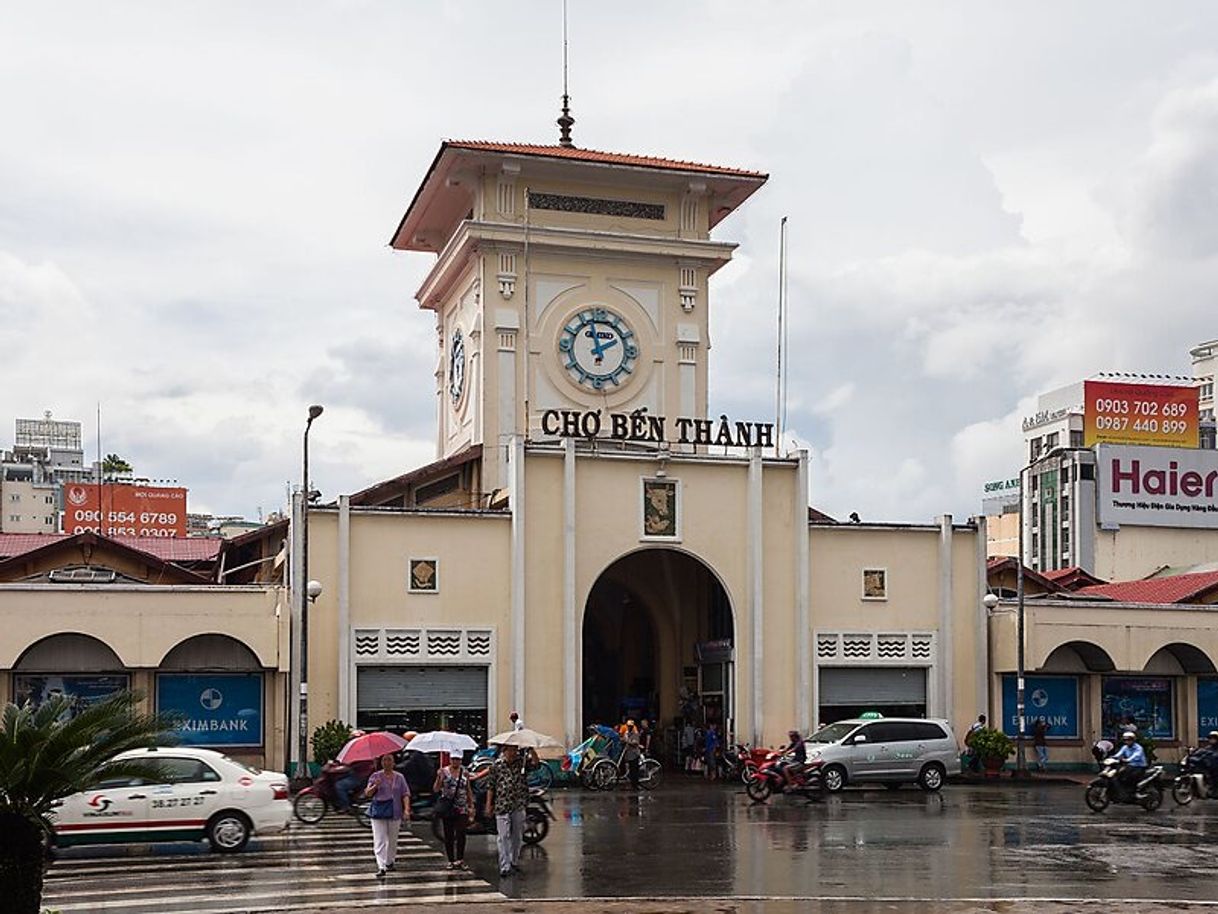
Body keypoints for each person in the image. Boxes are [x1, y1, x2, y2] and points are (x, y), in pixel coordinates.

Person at [484, 743, 529, 878]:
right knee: (503, 836)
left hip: (518, 804)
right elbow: (491, 786)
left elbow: (536, 765)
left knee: (517, 836)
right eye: (511, 750)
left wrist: (531, 750)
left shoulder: (522, 764)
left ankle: (513, 861)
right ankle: (504, 866)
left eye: (515, 750)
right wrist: (488, 804)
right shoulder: (496, 766)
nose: (513, 753)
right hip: (502, 804)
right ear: (505, 751)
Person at [364, 753, 411, 878]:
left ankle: (390, 861)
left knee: (392, 840)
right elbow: (367, 793)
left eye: (389, 760)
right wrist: (375, 786)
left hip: (395, 811)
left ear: (394, 762)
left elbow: (405, 793)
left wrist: (406, 809)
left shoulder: (399, 777)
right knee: (379, 840)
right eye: (384, 760)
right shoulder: (375, 776)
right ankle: (381, 865)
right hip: (379, 812)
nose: (387, 762)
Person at [433, 753, 475, 870]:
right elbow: (436, 789)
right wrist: (439, 777)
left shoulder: (465, 773)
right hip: (448, 807)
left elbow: (468, 789)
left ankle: (460, 859)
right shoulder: (444, 772)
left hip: (461, 807)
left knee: (461, 833)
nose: (455, 762)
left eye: (458, 759)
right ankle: (451, 860)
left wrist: (471, 805)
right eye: (453, 759)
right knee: (448, 834)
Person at [1111, 731, 1148, 798]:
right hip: (1130, 765)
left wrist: (1128, 760)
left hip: (1139, 766)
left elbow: (1136, 756)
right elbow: (1119, 754)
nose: (1127, 741)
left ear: (1133, 740)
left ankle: (1135, 792)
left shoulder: (1138, 748)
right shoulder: (1125, 747)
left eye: (1129, 740)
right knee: (1119, 774)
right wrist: (1112, 758)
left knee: (1131, 777)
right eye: (1125, 740)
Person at [622, 720, 642, 790]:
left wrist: (628, 741)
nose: (629, 727)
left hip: (634, 754)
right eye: (628, 726)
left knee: (634, 771)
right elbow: (624, 739)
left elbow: (635, 743)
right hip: (628, 754)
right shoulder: (627, 733)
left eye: (630, 726)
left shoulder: (635, 733)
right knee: (630, 770)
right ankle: (632, 784)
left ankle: (636, 785)